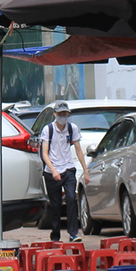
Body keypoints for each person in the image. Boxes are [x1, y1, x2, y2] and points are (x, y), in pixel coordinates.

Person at [39, 101, 89, 242]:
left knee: (71, 199)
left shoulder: (72, 129)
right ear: (55, 114)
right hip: (52, 171)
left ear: (68, 114)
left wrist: (86, 171)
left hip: (68, 169)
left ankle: (73, 233)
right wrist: (54, 171)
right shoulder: (48, 130)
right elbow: (45, 153)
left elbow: (79, 151)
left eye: (65, 114)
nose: (62, 116)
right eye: (60, 114)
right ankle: (55, 235)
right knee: (55, 205)